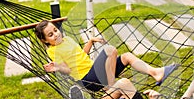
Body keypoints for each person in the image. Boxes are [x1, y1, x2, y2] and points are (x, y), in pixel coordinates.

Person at [35, 20, 179, 92]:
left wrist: (90, 42)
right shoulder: (53, 51)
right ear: (44, 40)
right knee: (110, 50)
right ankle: (111, 88)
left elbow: (81, 56)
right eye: (50, 34)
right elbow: (68, 70)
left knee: (127, 56)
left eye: (55, 30)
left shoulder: (67, 40)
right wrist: (58, 67)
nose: (56, 34)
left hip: (96, 72)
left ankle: (156, 73)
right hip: (88, 80)